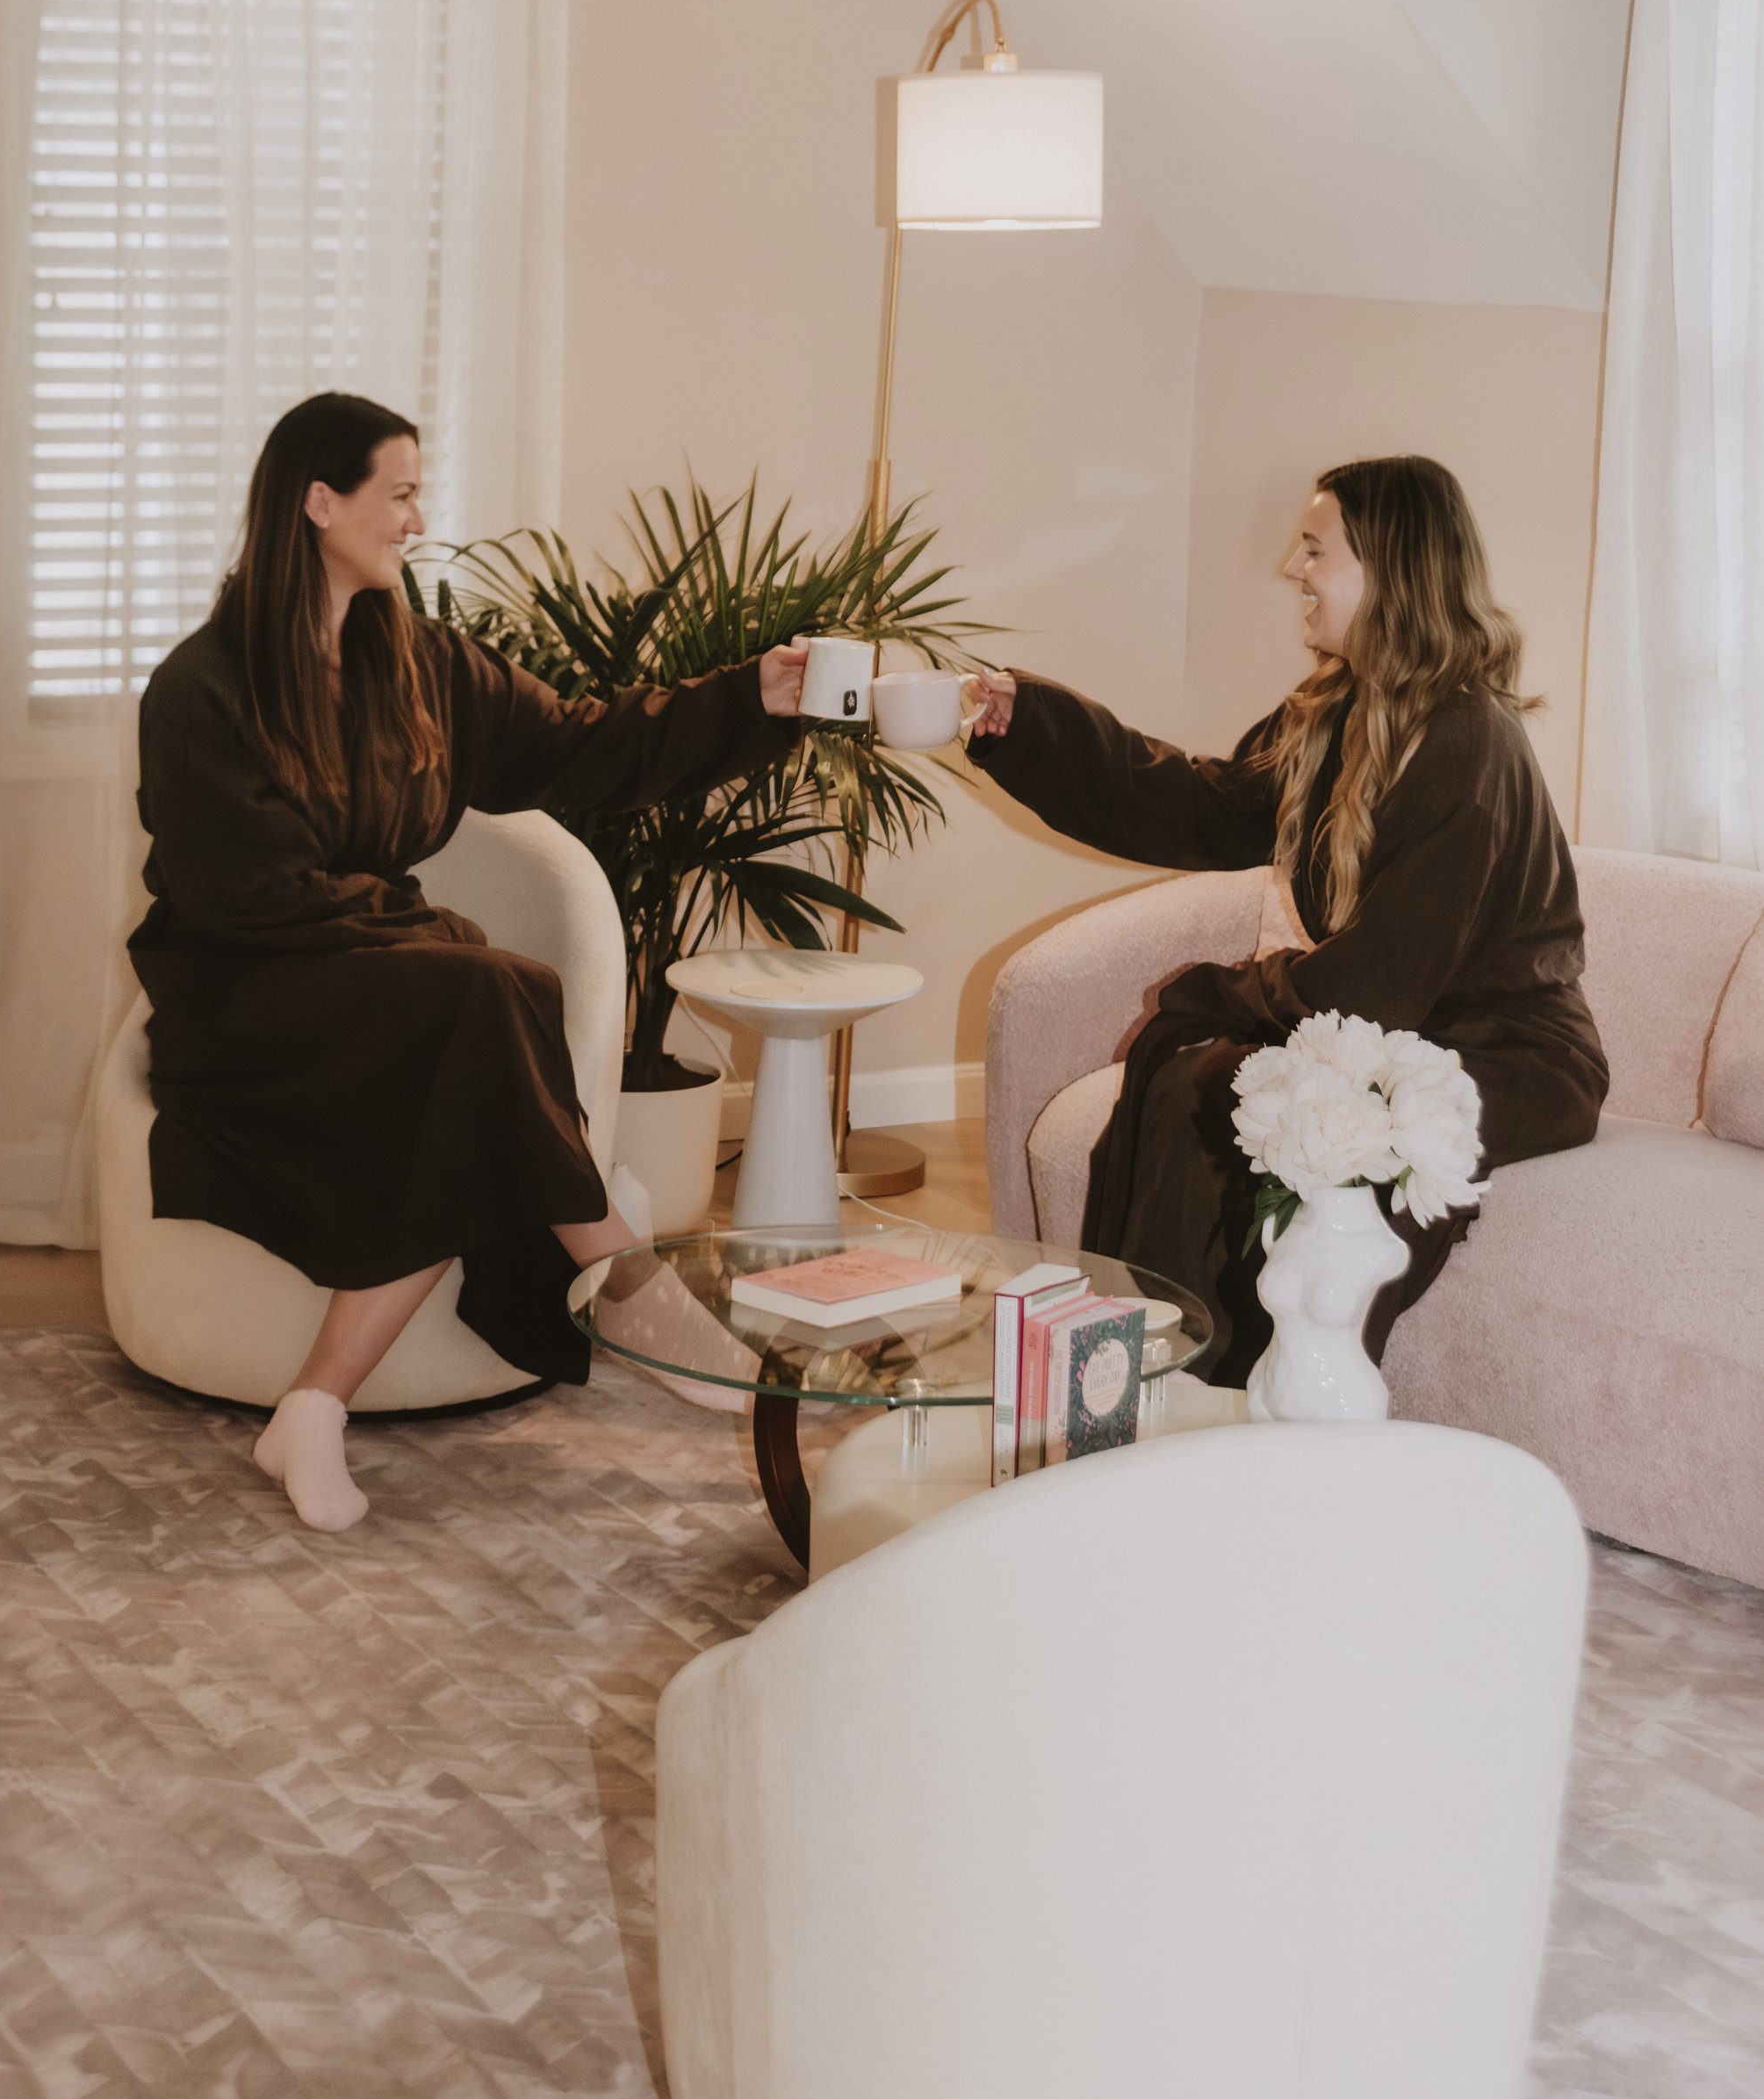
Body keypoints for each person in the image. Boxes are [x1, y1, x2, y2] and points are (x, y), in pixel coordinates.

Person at [130, 393, 810, 1529]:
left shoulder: (422, 661)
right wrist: (422, 946)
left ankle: (313, 1404)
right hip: (243, 1000)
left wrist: (752, 699)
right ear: (319, 501)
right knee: (489, 991)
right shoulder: (203, 687)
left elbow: (589, 743)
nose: (414, 516)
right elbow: (241, 896)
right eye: (396, 491)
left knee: (478, 1018)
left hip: (378, 986)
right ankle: (637, 1290)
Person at [964, 456, 1608, 1386]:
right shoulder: (1338, 710)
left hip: (1507, 1055)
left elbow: (1381, 981)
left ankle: (1212, 1401)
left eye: (1315, 549)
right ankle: (1153, 1385)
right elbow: (1197, 804)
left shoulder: (1468, 742)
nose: (1291, 569)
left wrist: (1220, 993)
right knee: (1198, 1077)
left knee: (1213, 1084)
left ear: (1389, 568)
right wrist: (1031, 722)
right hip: (1397, 1024)